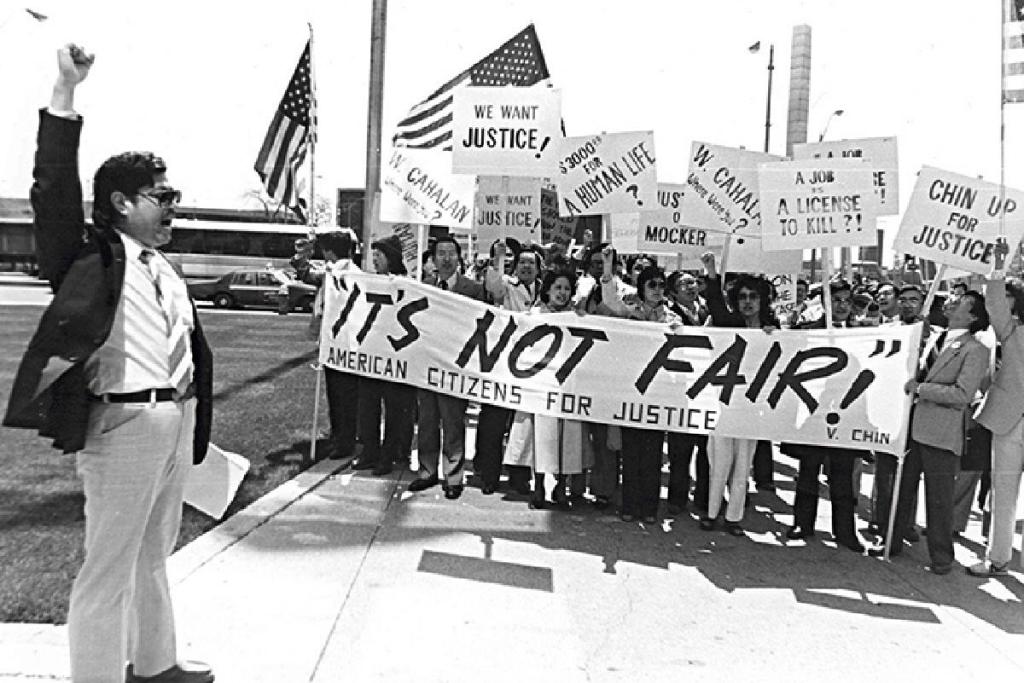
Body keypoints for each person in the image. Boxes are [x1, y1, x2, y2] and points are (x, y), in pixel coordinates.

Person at [3, 45, 215, 682]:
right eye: (162, 195)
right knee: (109, 566)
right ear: (122, 203)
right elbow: (55, 191)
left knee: (154, 554)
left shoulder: (165, 269)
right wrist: (64, 96)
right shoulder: (88, 254)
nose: (172, 204)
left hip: (174, 421)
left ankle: (155, 665)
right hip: (122, 426)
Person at [881, 291, 990, 574]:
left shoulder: (976, 350)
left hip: (941, 433)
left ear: (973, 316)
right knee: (901, 490)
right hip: (912, 427)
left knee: (939, 498)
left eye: (961, 301)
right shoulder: (934, 337)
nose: (952, 302)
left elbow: (963, 394)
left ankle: (941, 557)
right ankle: (890, 542)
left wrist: (921, 389)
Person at [698, 252, 778, 535]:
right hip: (725, 402)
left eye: (753, 297)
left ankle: (734, 518)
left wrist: (773, 338)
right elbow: (716, 304)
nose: (747, 302)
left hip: (752, 406)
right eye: (742, 296)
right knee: (719, 461)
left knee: (743, 466)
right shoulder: (729, 323)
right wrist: (711, 272)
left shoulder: (773, 329)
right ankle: (710, 513)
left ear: (761, 300)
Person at [785, 278, 866, 553]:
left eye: (847, 301)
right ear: (823, 304)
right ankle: (802, 524)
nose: (842, 306)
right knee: (808, 472)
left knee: (843, 477)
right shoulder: (807, 331)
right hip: (813, 413)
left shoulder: (865, 333)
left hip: (846, 414)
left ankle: (845, 532)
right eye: (836, 301)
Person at [602, 248, 681, 522]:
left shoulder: (673, 320)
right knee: (631, 451)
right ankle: (629, 505)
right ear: (642, 288)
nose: (657, 289)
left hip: (658, 393)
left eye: (661, 285)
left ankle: (649, 508)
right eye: (652, 284)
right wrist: (608, 266)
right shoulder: (629, 313)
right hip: (632, 391)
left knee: (652, 452)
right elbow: (609, 299)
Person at [410, 235, 487, 499]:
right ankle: (426, 471)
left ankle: (453, 476)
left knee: (453, 421)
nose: (445, 258)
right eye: (440, 253)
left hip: (456, 366)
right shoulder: (425, 287)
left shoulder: (473, 289)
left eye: (450, 253)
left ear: (459, 258)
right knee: (428, 420)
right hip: (428, 365)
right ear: (433, 259)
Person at [969, 239, 1024, 577]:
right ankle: (997, 559)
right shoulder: (1012, 331)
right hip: (1008, 421)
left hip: (1008, 421)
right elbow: (993, 302)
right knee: (1002, 494)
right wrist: (999, 265)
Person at [476, 240, 543, 494]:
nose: (526, 266)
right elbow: (493, 286)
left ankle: (519, 478)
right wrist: (500, 258)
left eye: (531, 263)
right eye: (522, 262)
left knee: (525, 425)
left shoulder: (544, 290)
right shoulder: (507, 285)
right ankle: (489, 476)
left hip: (534, 366)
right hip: (504, 362)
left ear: (538, 268)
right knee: (494, 422)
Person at [293, 229, 362, 462]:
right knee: (336, 393)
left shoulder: (346, 273)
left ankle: (345, 440)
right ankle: (339, 434)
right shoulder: (334, 272)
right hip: (335, 343)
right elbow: (306, 273)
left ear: (330, 251)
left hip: (346, 343)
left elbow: (308, 275)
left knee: (344, 396)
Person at [352, 234, 416, 475]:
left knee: (394, 410)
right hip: (371, 354)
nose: (375, 259)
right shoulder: (370, 282)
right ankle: (369, 451)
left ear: (392, 258)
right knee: (367, 406)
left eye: (380, 255)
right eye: (374, 255)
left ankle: (388, 455)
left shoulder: (406, 284)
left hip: (395, 357)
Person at [663, 269, 711, 515]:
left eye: (693, 282)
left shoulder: (706, 312)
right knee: (680, 450)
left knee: (706, 450)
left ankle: (703, 497)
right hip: (679, 389)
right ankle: (676, 498)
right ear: (673, 292)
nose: (691, 287)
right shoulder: (670, 315)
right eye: (684, 284)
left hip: (706, 388)